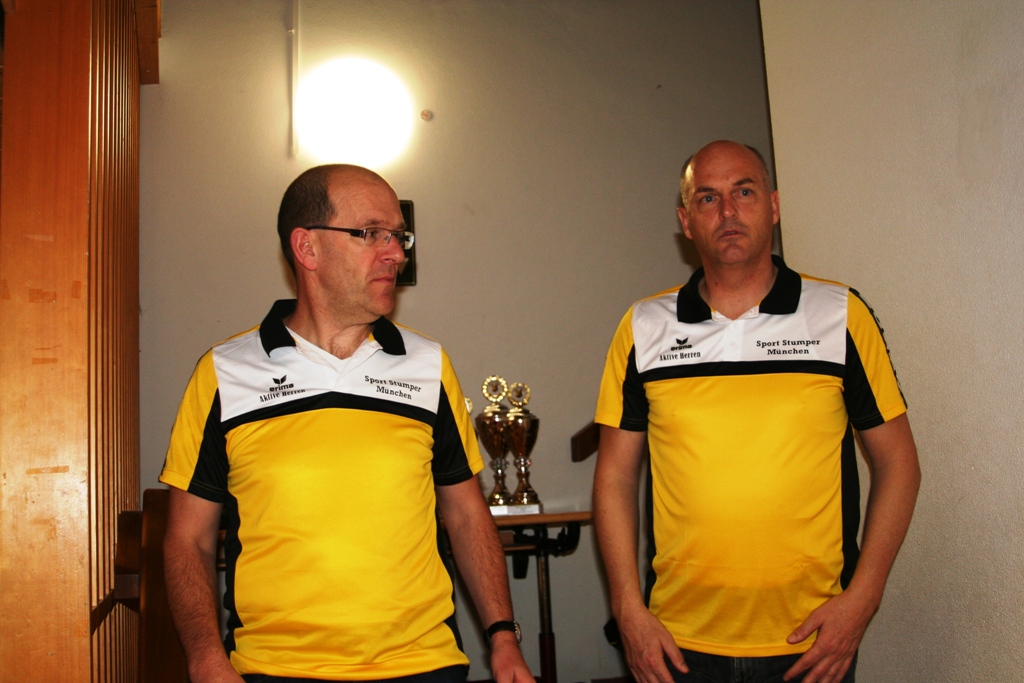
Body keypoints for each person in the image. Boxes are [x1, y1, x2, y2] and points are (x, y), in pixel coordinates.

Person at [161, 165, 534, 683]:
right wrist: (205, 660)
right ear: (307, 247)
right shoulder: (223, 373)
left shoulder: (429, 365)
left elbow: (467, 515)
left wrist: (503, 638)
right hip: (274, 671)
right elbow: (189, 539)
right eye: (372, 233)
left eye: (399, 236)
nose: (397, 253)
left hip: (425, 667)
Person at [592, 141, 920, 683]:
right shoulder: (643, 327)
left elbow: (899, 464)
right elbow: (614, 477)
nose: (727, 211)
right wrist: (627, 609)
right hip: (677, 643)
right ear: (685, 221)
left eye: (743, 192)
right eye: (707, 198)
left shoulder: (840, 315)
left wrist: (863, 599)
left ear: (773, 205)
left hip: (813, 642)